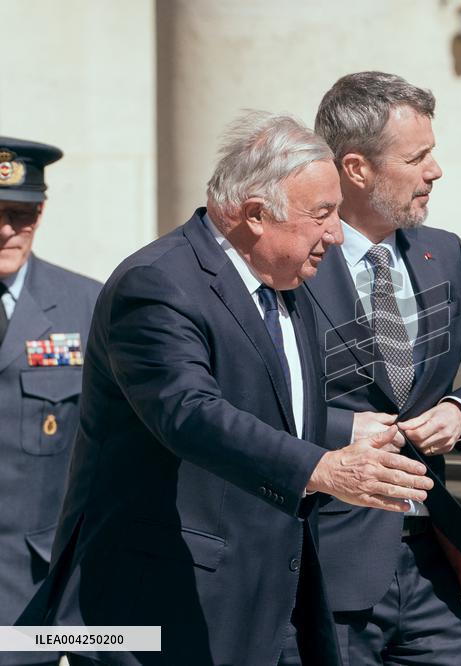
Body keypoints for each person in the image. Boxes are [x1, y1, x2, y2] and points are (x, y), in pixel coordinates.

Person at [21, 111, 433, 666]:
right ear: (256, 215)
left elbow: (270, 407)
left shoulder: (286, 280)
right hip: (165, 607)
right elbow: (189, 413)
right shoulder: (158, 284)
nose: (336, 234)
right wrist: (320, 467)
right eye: (323, 215)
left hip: (277, 597)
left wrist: (342, 435)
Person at [309, 71, 461, 664]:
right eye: (416, 158)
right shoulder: (295, 260)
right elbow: (252, 398)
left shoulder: (444, 253)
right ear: (356, 169)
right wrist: (343, 430)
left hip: (429, 556)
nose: (435, 171)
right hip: (325, 563)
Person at [0, 137, 101, 666]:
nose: (5, 230)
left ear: (40, 213)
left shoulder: (88, 306)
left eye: (20, 215)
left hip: (40, 588)